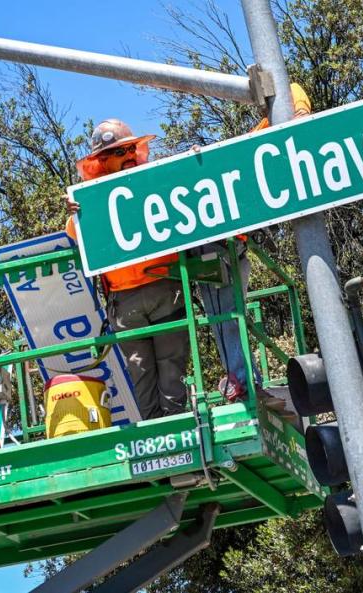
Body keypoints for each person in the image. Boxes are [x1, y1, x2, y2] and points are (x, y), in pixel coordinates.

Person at [65, 119, 189, 420]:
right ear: (101, 161)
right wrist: (74, 214)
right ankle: (157, 439)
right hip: (125, 304)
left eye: (132, 148)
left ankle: (177, 434)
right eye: (121, 152)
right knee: (141, 376)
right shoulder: (88, 201)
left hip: (165, 288)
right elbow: (74, 233)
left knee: (172, 370)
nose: (130, 155)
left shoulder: (154, 183)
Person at [200, 83, 313, 401]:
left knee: (227, 315)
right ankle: (246, 378)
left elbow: (295, 96)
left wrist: (300, 114)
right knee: (230, 315)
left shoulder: (274, 129)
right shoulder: (257, 142)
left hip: (227, 246)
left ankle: (243, 380)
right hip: (225, 243)